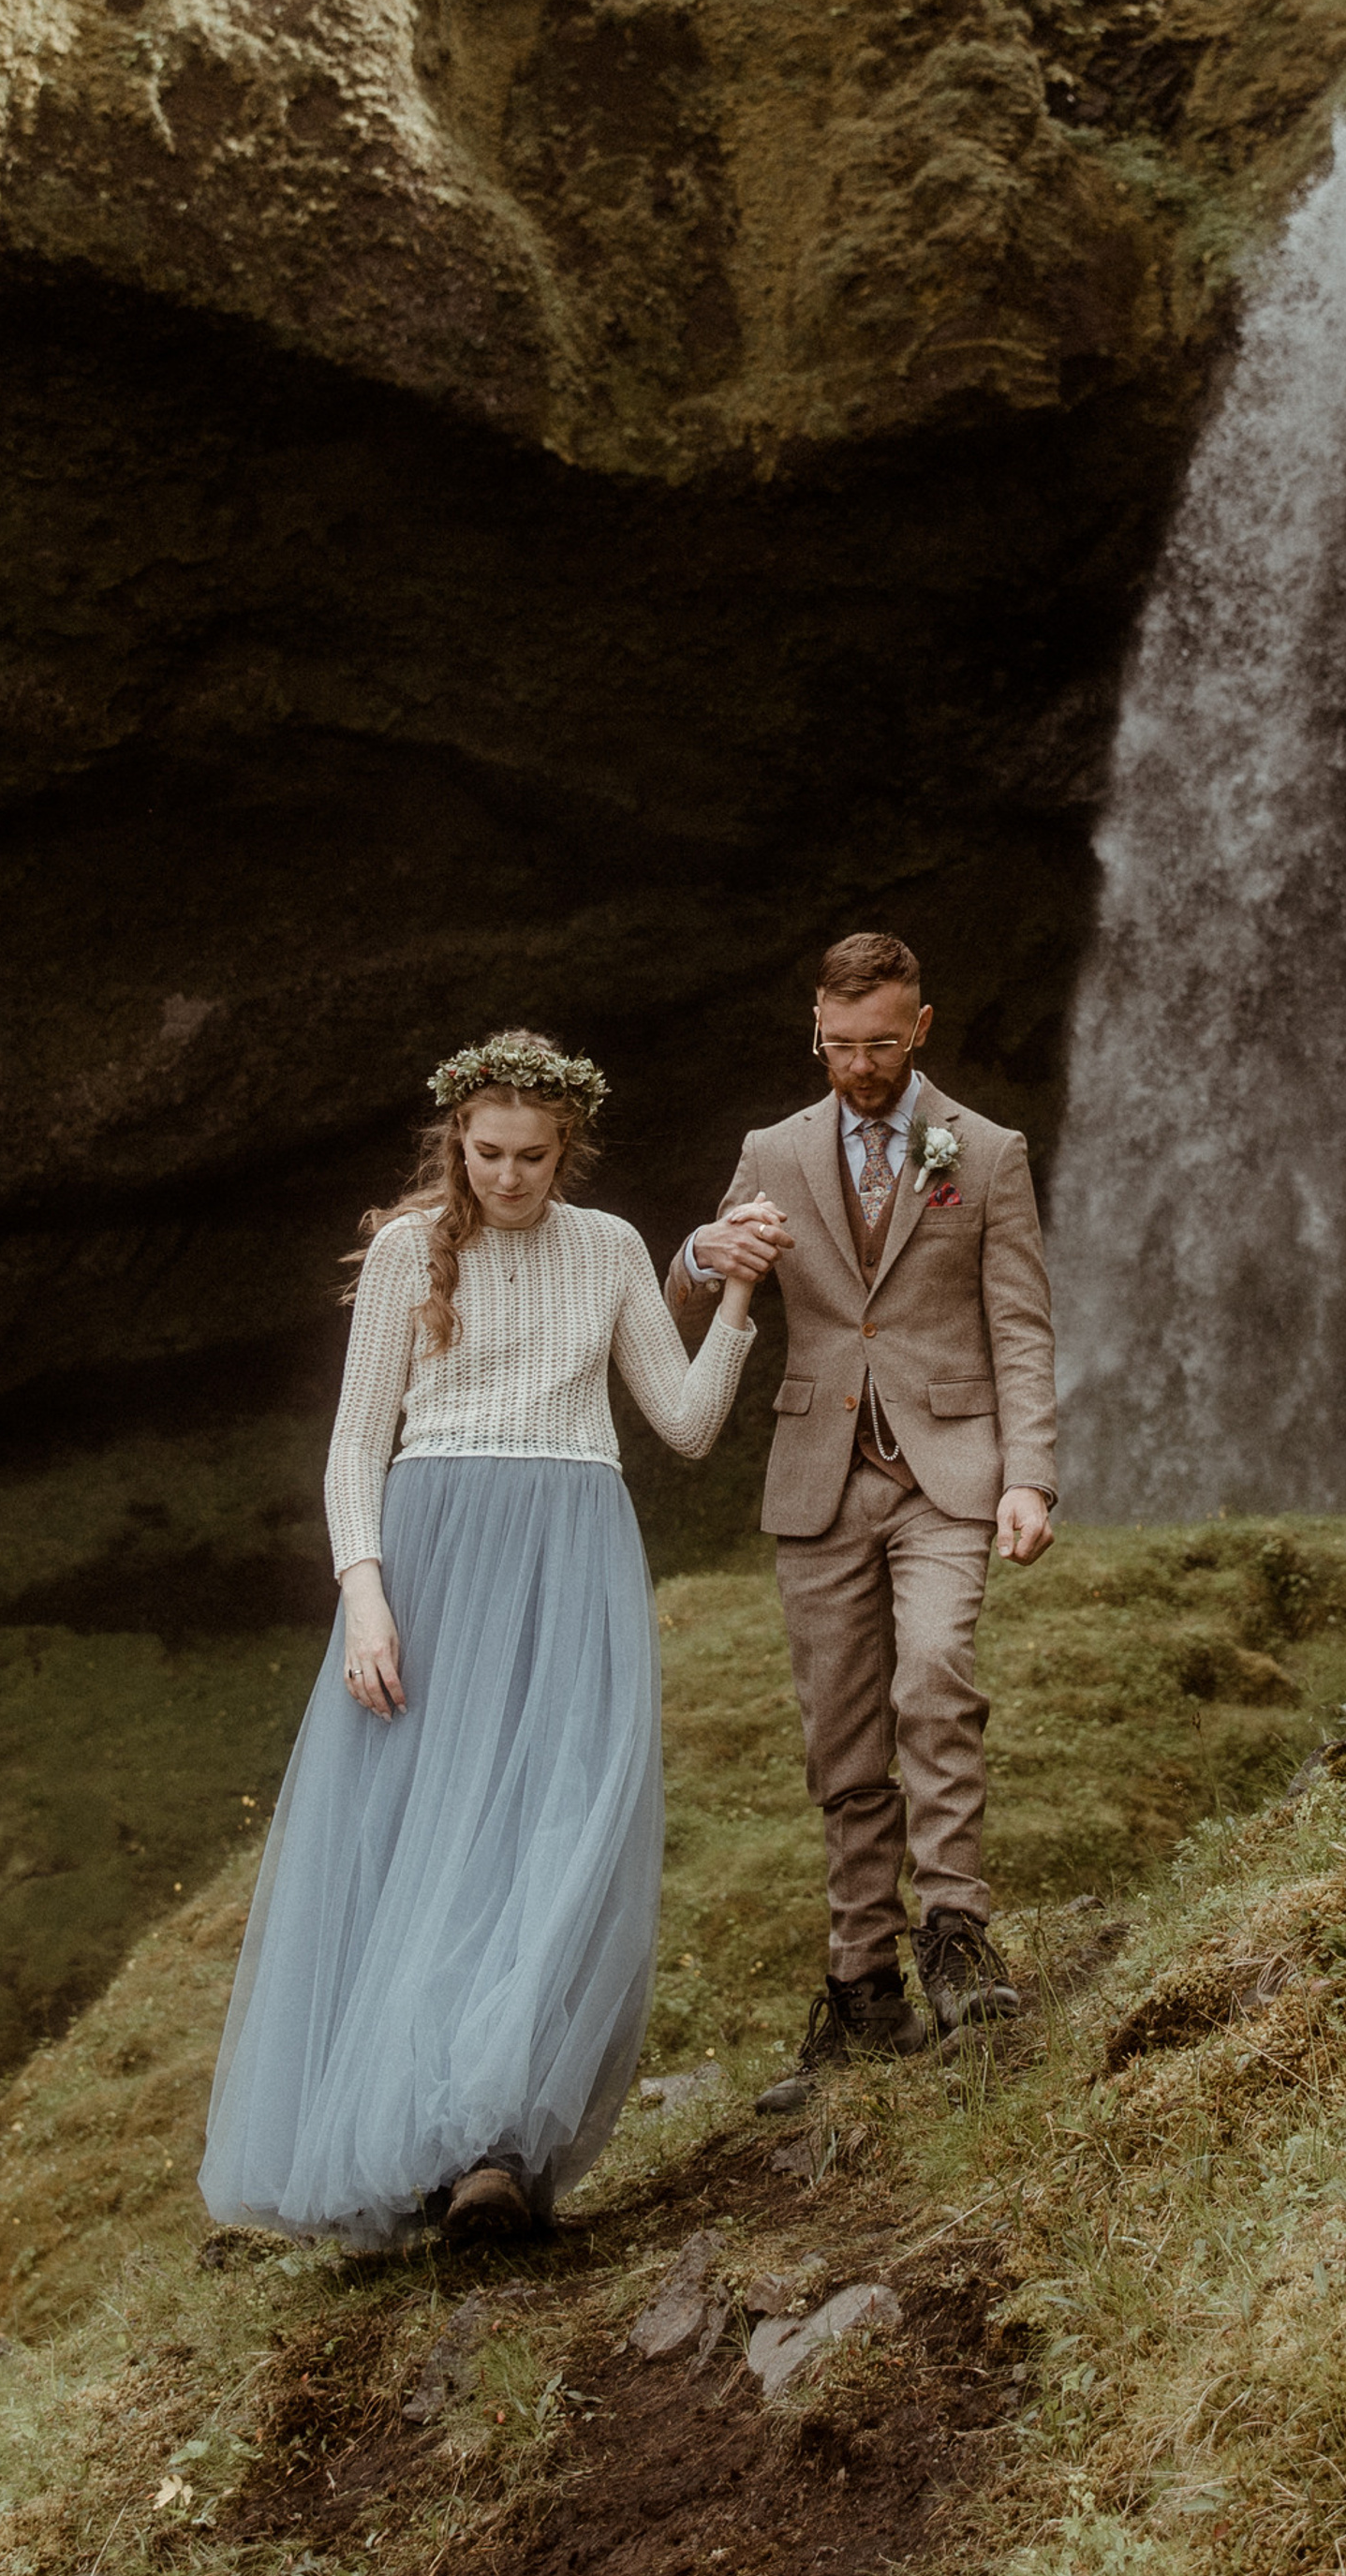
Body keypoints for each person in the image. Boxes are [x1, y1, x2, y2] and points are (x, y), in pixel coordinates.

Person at [200, 1028, 766, 2243]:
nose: (509, 1178)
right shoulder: (414, 1250)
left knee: (556, 1826)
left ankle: (497, 2146)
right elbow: (356, 1445)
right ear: (458, 1140)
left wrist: (742, 1302)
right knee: (422, 1838)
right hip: (436, 1552)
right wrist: (365, 1597)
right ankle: (415, 2144)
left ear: (571, 1151)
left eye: (535, 1157)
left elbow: (685, 1423)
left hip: (574, 1551)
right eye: (490, 1152)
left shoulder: (609, 1248)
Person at [670, 931, 1057, 2105]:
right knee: (840, 1739)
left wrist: (1028, 1474)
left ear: (922, 1027)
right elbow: (693, 1293)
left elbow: (1021, 1327)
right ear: (816, 1034)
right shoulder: (771, 1151)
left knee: (934, 1673)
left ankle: (955, 1936)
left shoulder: (981, 1151)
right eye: (839, 1046)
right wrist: (698, 1247)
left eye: (882, 1043)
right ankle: (860, 1989)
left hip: (949, 1470)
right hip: (817, 1475)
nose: (861, 1066)